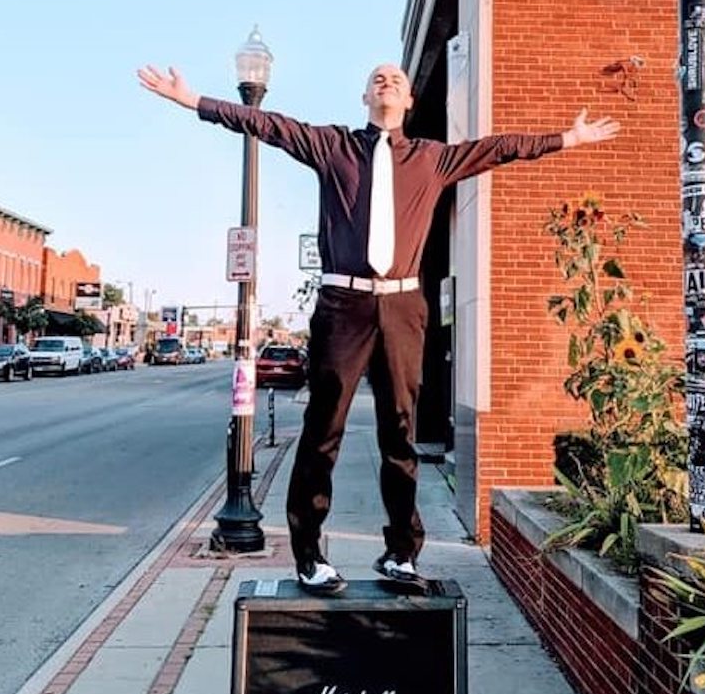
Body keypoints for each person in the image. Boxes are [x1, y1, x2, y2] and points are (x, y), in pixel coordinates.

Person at [138, 62, 621, 594]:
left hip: (402, 307)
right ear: (364, 95)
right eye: (376, 78)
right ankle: (309, 556)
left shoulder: (434, 158)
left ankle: (400, 555)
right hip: (342, 305)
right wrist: (195, 102)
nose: (386, 82)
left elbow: (498, 147)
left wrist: (566, 139)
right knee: (323, 433)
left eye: (395, 79)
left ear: (410, 100)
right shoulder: (333, 147)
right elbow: (267, 125)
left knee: (401, 434)